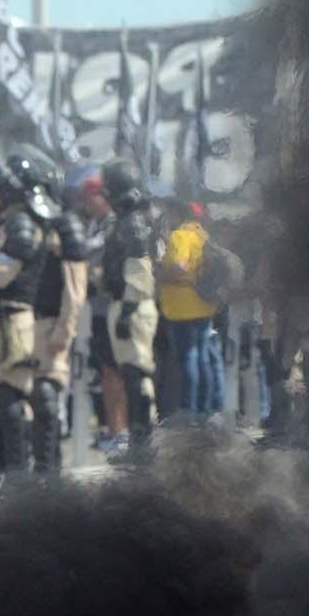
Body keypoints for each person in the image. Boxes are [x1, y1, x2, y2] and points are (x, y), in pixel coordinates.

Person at [0, 152, 71, 492]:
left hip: (9, 320)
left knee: (9, 396)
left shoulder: (21, 224)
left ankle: (17, 477)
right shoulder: (6, 221)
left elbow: (0, 273)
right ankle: (5, 473)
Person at [91, 162, 161, 452]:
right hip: (123, 302)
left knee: (137, 375)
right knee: (130, 373)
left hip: (133, 305)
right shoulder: (124, 219)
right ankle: (138, 440)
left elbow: (140, 271)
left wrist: (129, 311)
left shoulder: (132, 221)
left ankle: (143, 442)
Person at [154, 196, 217, 419]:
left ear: (177, 215)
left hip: (183, 309)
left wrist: (160, 274)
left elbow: (180, 267)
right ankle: (204, 409)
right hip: (204, 305)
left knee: (188, 358)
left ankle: (189, 411)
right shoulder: (203, 236)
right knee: (202, 358)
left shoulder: (180, 236)